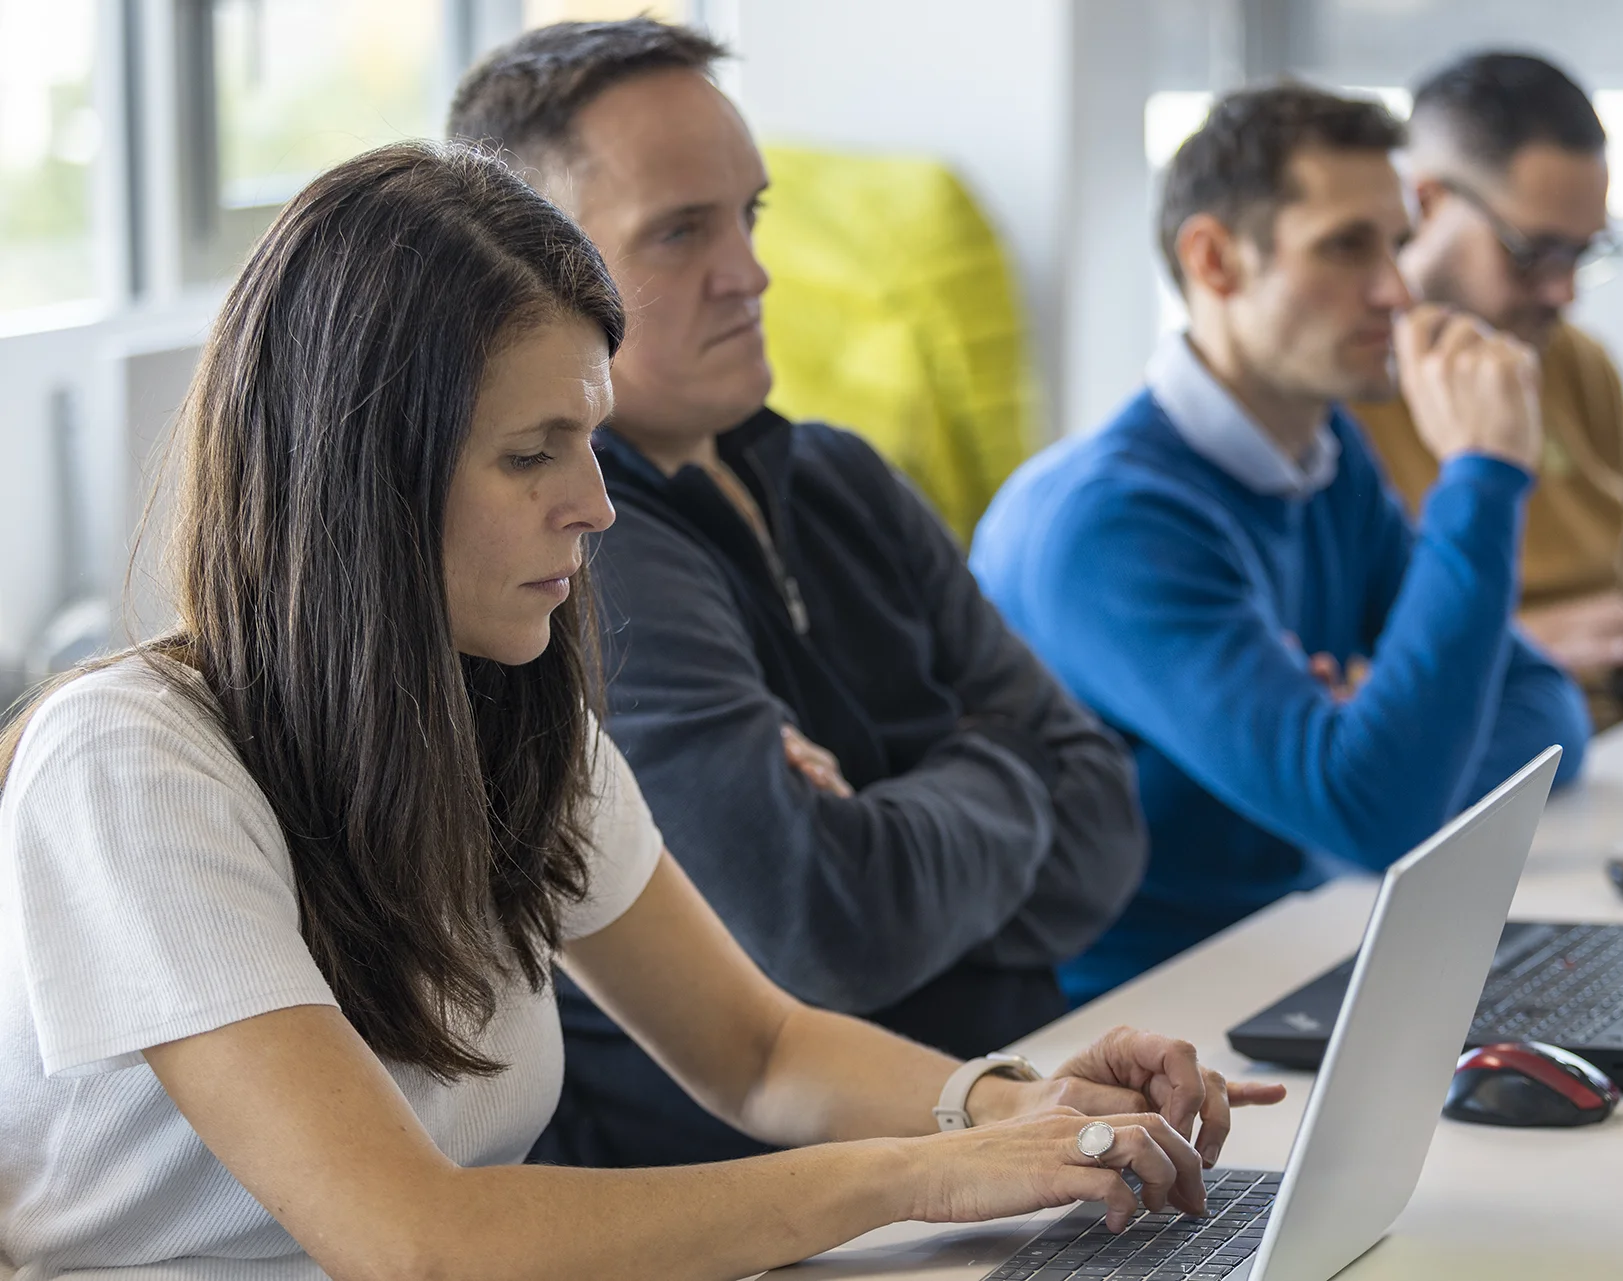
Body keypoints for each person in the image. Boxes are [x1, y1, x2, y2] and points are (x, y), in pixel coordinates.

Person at [0, 142, 1283, 1280]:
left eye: (590, 442)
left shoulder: (506, 719)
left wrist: (1007, 1108)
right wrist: (919, 1178)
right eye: (530, 454)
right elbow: (415, 1243)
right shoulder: (132, 761)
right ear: (359, 480)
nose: (596, 506)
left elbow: (759, 1052)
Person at [446, 18, 1148, 1168]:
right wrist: (1002, 759)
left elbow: (1108, 829)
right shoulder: (575, 551)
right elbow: (824, 928)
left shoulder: (840, 477)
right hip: (752, 1197)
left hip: (995, 1120)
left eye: (750, 215)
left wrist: (895, 822)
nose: (752, 271)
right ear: (533, 278)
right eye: (680, 233)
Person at [970, 85, 1590, 1005]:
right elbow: (1374, 812)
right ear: (1214, 260)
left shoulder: (1322, 461)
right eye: (1346, 247)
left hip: (1283, 954)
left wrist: (1389, 748)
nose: (1396, 288)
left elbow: (1548, 711)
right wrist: (1483, 477)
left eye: (1395, 241)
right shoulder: (1112, 525)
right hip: (1121, 1023)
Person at [1350, 52, 1623, 706]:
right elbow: (1339, 682)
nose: (1563, 292)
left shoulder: (1578, 366)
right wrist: (1532, 645)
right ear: (1425, 205)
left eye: (1584, 253)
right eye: (1531, 252)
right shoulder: (1342, 401)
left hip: (1620, 757)